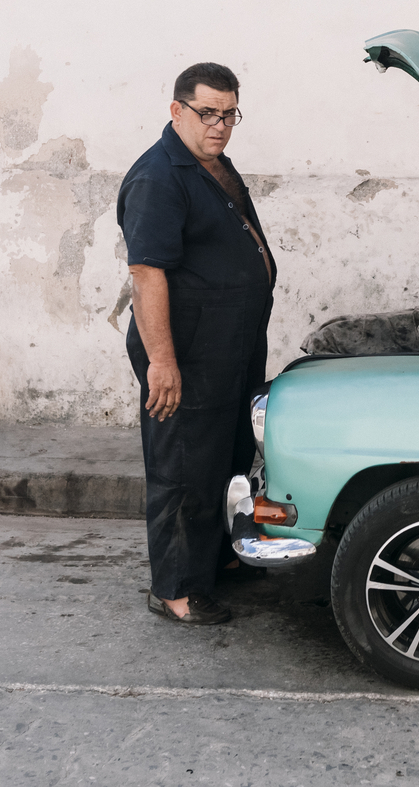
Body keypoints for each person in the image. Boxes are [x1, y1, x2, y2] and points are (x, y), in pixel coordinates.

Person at [117, 61, 275, 625]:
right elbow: (147, 274)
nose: (220, 125)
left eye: (229, 114)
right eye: (207, 113)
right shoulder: (160, 177)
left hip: (228, 345)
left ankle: (213, 560)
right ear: (176, 110)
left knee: (225, 456)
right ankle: (176, 589)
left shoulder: (212, 164)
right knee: (184, 465)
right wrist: (162, 361)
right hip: (187, 351)